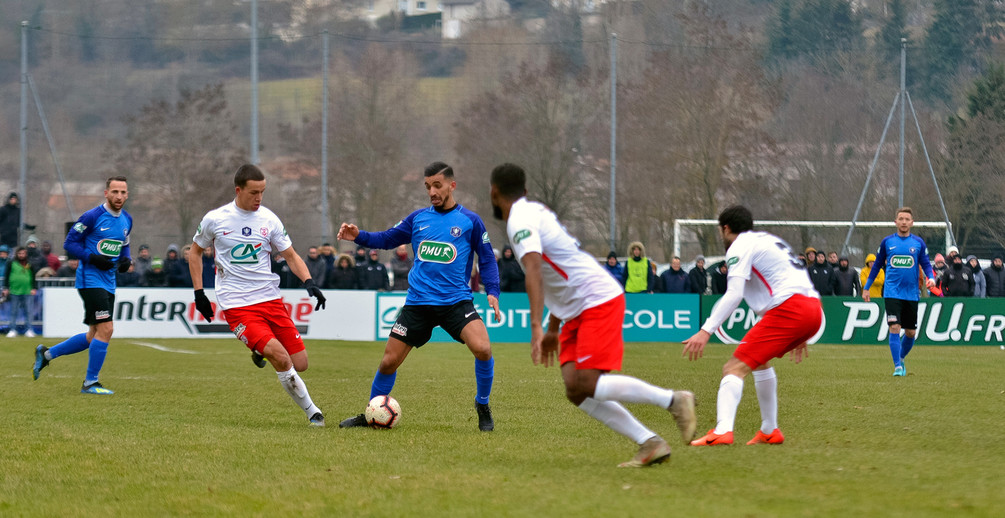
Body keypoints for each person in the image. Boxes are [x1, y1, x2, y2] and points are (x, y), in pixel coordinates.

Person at [490, 163, 695, 467]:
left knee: (587, 381)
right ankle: (650, 442)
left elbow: (535, 269)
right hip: (576, 308)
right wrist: (552, 328)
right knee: (575, 388)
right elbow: (558, 271)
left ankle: (673, 400)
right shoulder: (533, 210)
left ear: (493, 192)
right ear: (525, 190)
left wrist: (535, 327)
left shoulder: (519, 219)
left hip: (596, 299)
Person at [336, 161, 502, 431]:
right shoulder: (418, 219)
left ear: (452, 185)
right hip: (418, 304)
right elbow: (387, 239)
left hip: (456, 302)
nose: (432, 192)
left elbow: (486, 259)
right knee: (389, 361)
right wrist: (359, 236)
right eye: (428, 187)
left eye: (437, 185)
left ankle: (482, 404)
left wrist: (492, 290)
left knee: (483, 349)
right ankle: (371, 414)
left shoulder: (470, 221)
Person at [188, 164, 328, 426]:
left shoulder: (269, 219)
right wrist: (199, 293)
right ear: (238, 190)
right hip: (237, 304)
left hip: (270, 299)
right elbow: (195, 252)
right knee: (282, 357)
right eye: (254, 192)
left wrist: (309, 282)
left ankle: (260, 350)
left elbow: (290, 255)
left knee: (302, 363)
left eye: (263, 192)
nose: (259, 198)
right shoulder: (216, 219)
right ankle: (314, 413)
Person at [683, 205, 821, 447]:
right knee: (759, 362)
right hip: (811, 307)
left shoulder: (739, 246)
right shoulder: (767, 239)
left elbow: (734, 294)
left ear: (725, 228)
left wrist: (706, 330)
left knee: (733, 368)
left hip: (790, 309)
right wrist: (804, 326)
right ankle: (770, 430)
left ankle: (723, 430)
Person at [33, 176, 133, 394]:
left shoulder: (127, 219)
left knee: (93, 336)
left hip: (109, 282)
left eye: (123, 192)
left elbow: (124, 244)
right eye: (115, 192)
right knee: (107, 328)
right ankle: (90, 383)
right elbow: (69, 243)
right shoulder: (92, 216)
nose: (119, 196)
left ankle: (46, 355)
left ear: (127, 194)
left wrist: (126, 259)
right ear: (106, 193)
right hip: (90, 280)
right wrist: (92, 258)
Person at [863, 207, 935, 377]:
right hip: (892, 293)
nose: (903, 222)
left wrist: (930, 277)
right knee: (894, 327)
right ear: (895, 221)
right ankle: (897, 367)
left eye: (907, 219)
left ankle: (901, 358)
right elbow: (877, 266)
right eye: (900, 219)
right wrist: (866, 287)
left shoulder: (918, 243)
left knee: (910, 333)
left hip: (911, 294)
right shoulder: (887, 242)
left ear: (912, 222)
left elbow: (925, 263)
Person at [4, 246, 38, 337]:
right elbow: (6, 275)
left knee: (28, 311)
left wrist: (34, 288)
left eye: (23, 253)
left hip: (27, 290)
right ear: (17, 254)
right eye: (20, 253)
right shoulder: (11, 263)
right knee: (13, 311)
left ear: (26, 254)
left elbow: (33, 276)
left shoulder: (30, 263)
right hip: (14, 290)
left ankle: (29, 329)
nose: (21, 255)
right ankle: (12, 329)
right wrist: (6, 287)